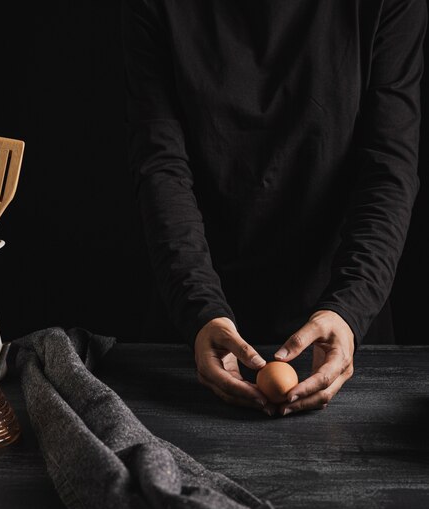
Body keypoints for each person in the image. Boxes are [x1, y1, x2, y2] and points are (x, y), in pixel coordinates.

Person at [121, 0, 427, 416]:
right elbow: (161, 166)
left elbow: (389, 167)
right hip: (189, 336)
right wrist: (200, 310)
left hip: (344, 334)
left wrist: (349, 309)